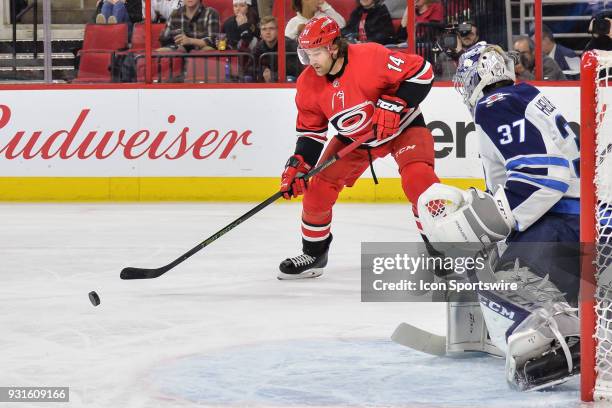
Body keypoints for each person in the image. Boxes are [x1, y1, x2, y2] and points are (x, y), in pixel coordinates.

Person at [420, 42, 580, 390]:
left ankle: (555, 342)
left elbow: (543, 174)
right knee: (488, 250)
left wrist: (489, 220)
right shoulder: (522, 97)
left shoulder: (496, 104)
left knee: (496, 271)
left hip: (563, 222)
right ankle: (532, 327)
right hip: (574, 221)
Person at [278, 16, 440, 279]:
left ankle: (440, 250)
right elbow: (311, 133)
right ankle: (314, 253)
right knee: (317, 189)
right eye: (306, 54)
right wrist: (299, 164)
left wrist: (396, 102)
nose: (311, 61)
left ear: (333, 47)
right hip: (355, 140)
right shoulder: (308, 83)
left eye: (316, 53)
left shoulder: (371, 56)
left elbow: (423, 72)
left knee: (419, 180)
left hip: (402, 128)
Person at [253, 16, 299, 82]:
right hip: (266, 82)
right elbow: (249, 67)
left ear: (278, 30)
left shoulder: (290, 45)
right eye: (264, 29)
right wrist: (263, 70)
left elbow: (294, 70)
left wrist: (274, 75)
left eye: (271, 28)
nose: (267, 32)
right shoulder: (258, 47)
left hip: (287, 82)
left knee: (289, 78)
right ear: (260, 32)